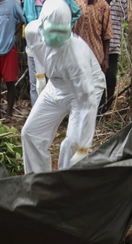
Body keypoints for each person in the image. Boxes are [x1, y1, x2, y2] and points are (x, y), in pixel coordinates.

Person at [21, 0, 105, 173]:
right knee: (30, 133)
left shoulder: (76, 56)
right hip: (56, 85)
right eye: (52, 31)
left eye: (61, 32)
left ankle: (65, 188)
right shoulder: (32, 30)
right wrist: (40, 76)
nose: (56, 38)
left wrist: (83, 145)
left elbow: (87, 103)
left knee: (71, 144)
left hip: (84, 89)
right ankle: (39, 182)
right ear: (42, 24)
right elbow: (36, 51)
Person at [23, 0, 81, 107]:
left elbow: (76, 11)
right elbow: (29, 20)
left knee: (54, 82)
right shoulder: (29, 1)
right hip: (34, 48)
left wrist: (63, 28)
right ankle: (38, 115)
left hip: (55, 48)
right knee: (36, 83)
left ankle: (53, 113)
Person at [72, 0, 111, 73]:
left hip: (96, 56)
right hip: (76, 56)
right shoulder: (75, 4)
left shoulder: (103, 6)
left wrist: (106, 59)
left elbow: (107, 34)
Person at [102, 0, 126, 114]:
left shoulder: (122, 2)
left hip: (113, 47)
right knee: (99, 79)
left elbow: (129, 18)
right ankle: (100, 107)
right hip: (98, 48)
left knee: (111, 78)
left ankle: (108, 106)